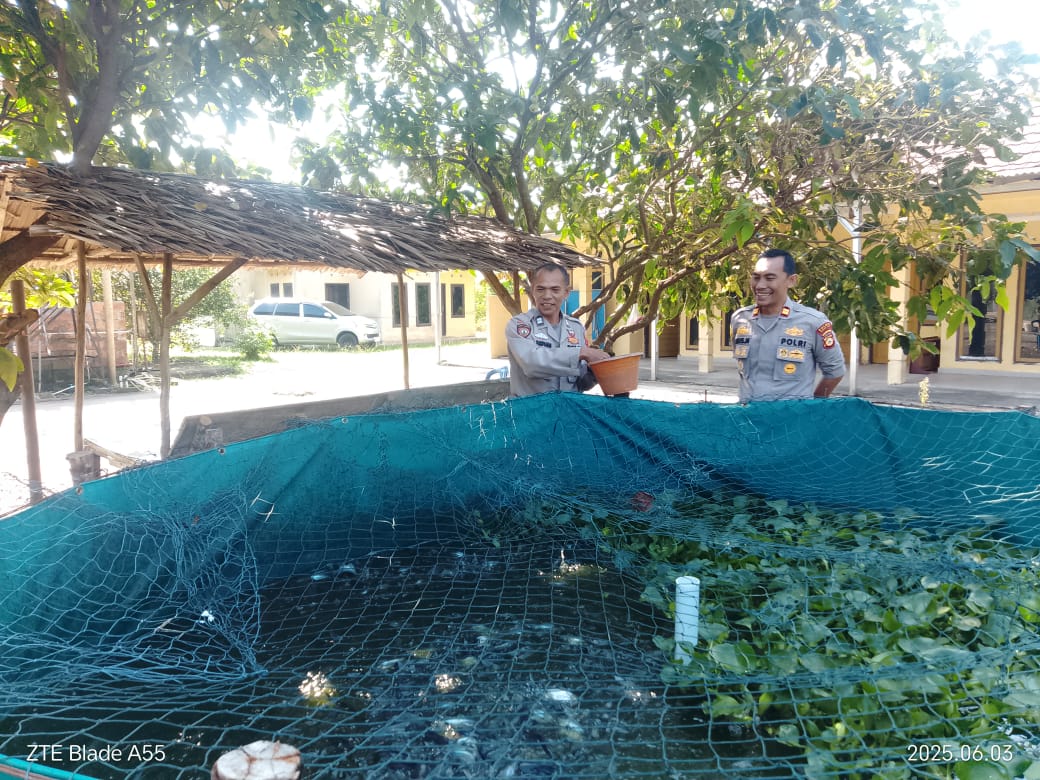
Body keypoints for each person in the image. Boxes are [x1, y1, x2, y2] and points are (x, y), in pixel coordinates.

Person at [730, 248, 846, 403]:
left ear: (791, 280)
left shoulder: (814, 322)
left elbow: (835, 372)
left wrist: (812, 406)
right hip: (746, 420)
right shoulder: (740, 319)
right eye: (756, 277)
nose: (760, 285)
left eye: (770, 278)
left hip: (790, 422)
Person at [506, 263, 611, 397]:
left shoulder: (575, 327)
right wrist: (581, 352)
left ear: (566, 292)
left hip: (567, 412)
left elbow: (581, 383)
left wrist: (596, 371)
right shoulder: (520, 325)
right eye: (540, 289)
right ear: (533, 290)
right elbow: (531, 365)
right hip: (531, 414)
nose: (547, 296)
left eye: (555, 289)